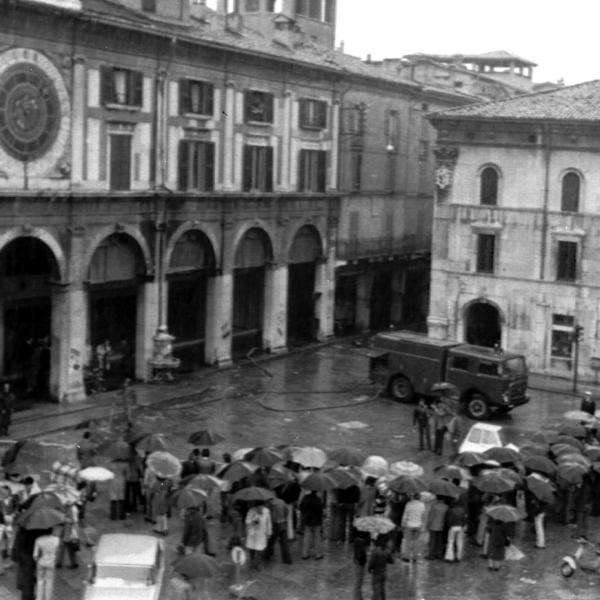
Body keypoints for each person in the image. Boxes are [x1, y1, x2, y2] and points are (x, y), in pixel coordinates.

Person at [32, 527, 60, 600]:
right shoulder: (56, 539)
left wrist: (37, 561)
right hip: (51, 562)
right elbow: (57, 552)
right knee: (49, 581)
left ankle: (39, 598)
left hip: (41, 562)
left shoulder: (38, 540)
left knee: (40, 581)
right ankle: (48, 598)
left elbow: (35, 555)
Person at [264, 496, 292, 564]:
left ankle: (267, 554)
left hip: (275, 524)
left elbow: (271, 515)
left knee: (271, 541)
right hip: (283, 523)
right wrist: (284, 518)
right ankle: (287, 559)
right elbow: (286, 511)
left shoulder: (270, 503)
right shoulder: (282, 501)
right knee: (284, 543)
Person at [245, 501, 272, 570]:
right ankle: (252, 561)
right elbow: (247, 521)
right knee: (251, 548)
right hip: (252, 533)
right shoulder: (251, 511)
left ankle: (258, 564)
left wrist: (269, 532)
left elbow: (269, 522)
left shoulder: (267, 511)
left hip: (261, 533)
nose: (260, 509)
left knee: (260, 549)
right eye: (259, 507)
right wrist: (253, 520)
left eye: (262, 507)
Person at [299, 490, 324, 560]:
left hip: (307, 520)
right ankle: (318, 554)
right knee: (317, 536)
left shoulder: (305, 498)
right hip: (317, 520)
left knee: (306, 537)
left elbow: (301, 508)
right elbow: (321, 511)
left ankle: (305, 554)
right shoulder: (318, 500)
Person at [368, 535, 394, 600]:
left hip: (376, 573)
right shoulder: (387, 551)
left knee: (376, 590)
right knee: (382, 589)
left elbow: (371, 563)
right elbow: (391, 561)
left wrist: (369, 569)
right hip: (384, 572)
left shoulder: (375, 551)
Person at [400, 493, 425, 562]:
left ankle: (406, 557)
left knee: (407, 541)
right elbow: (423, 516)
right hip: (418, 525)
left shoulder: (409, 504)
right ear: (419, 497)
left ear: (413, 497)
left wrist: (403, 525)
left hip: (409, 524)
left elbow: (405, 516)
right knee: (416, 541)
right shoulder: (422, 505)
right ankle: (415, 557)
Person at [76, 431, 98, 501]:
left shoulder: (79, 444)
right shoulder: (91, 444)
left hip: (83, 463)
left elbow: (78, 453)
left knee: (84, 479)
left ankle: (82, 494)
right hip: (90, 464)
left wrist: (81, 460)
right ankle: (91, 495)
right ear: (89, 437)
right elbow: (95, 452)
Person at [55, 504, 79, 569]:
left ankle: (73, 564)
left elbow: (73, 521)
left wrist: (64, 518)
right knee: (62, 549)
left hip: (69, 535)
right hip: (65, 533)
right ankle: (59, 563)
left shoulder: (73, 510)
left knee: (70, 550)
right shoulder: (67, 510)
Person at [426, 496, 448, 560]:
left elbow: (431, 517)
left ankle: (431, 554)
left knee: (432, 541)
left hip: (433, 526)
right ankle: (439, 554)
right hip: (441, 526)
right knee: (439, 541)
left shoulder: (434, 506)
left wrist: (428, 525)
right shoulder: (446, 507)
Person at [353, 530, 370, 600]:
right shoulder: (361, 542)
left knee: (358, 581)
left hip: (358, 563)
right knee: (359, 581)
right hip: (360, 563)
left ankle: (359, 597)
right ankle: (357, 598)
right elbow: (360, 555)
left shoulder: (356, 541)